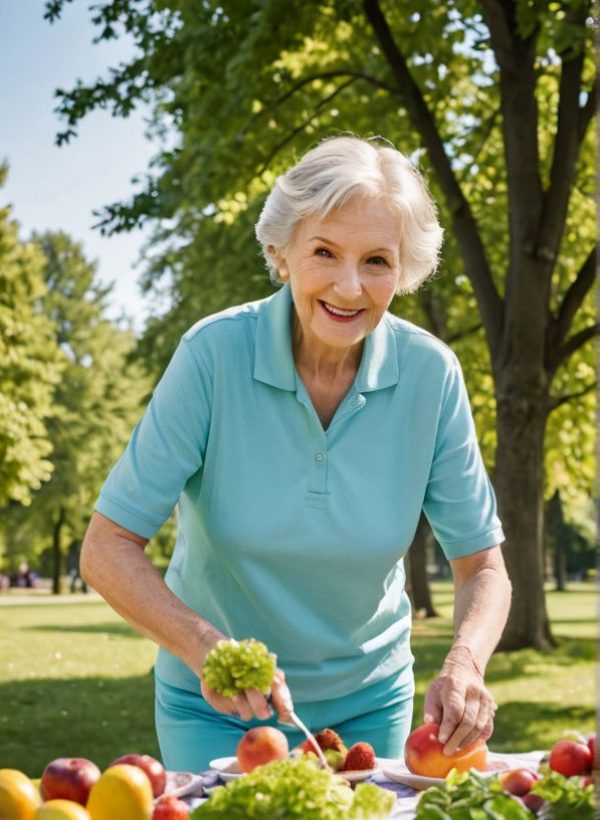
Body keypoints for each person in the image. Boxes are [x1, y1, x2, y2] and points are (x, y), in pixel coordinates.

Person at [81, 135, 511, 773]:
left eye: (377, 261)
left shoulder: (431, 374)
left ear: (406, 269)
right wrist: (209, 650)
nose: (349, 286)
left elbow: (483, 565)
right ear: (282, 254)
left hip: (372, 704)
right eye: (324, 252)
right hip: (218, 706)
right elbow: (107, 547)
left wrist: (465, 663)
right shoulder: (213, 356)